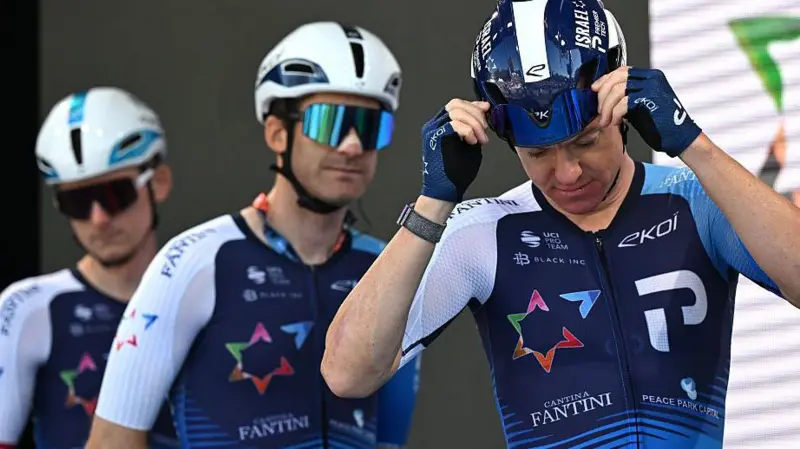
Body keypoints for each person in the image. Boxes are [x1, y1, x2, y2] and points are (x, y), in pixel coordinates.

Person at [320, 0, 800, 448]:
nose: (567, 173)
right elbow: (346, 374)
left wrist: (695, 146)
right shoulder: (485, 231)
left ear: (623, 107)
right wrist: (432, 203)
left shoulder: (694, 200)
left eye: (586, 141)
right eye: (538, 153)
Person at [85, 21, 420, 449]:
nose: (352, 146)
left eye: (370, 126)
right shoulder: (194, 260)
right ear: (277, 133)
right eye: (331, 122)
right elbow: (110, 441)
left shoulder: (386, 267)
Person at [0, 87, 178, 448]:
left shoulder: (203, 291)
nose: (99, 219)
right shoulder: (28, 307)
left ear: (158, 183)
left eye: (115, 195)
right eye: (77, 201)